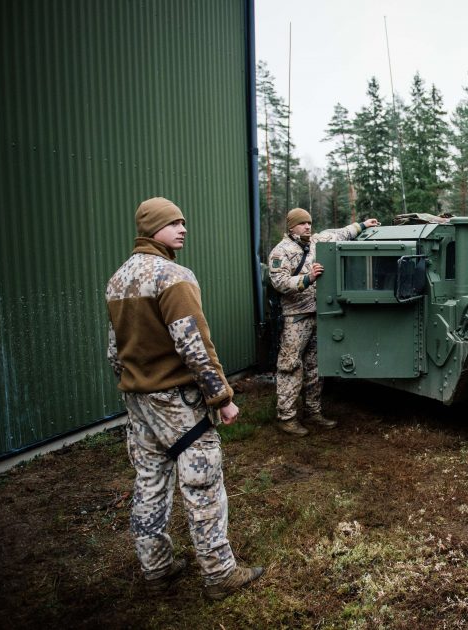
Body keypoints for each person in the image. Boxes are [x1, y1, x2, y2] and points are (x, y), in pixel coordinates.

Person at [106, 197, 264, 600]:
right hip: (178, 404)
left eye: (183, 222)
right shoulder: (172, 276)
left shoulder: (118, 279)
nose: (183, 228)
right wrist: (221, 397)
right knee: (203, 485)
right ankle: (219, 574)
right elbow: (193, 343)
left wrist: (137, 384)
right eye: (173, 223)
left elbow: (114, 351)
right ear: (151, 230)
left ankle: (156, 570)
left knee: (149, 484)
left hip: (138, 402)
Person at [268, 208, 379, 436]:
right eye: (302, 224)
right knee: (290, 366)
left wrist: (364, 225)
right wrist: (307, 279)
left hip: (319, 315)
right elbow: (279, 282)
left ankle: (313, 412)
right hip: (295, 318)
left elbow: (342, 233)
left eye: (309, 222)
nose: (308, 226)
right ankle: (286, 417)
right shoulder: (281, 252)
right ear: (291, 227)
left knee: (315, 367)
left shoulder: (319, 240)